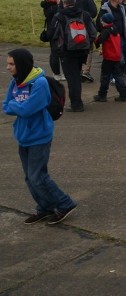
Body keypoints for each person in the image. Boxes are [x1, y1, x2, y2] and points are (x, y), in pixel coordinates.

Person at [3, 49, 78, 225]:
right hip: (23, 136)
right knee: (30, 177)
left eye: (11, 64)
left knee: (38, 176)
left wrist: (16, 105)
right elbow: (6, 106)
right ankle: (44, 208)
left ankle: (65, 204)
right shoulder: (15, 83)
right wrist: (18, 105)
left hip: (39, 136)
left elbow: (27, 109)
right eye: (8, 63)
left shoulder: (40, 83)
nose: (7, 67)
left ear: (21, 64)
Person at [48, 0, 97, 112]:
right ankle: (77, 101)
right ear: (75, 1)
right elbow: (93, 32)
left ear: (63, 2)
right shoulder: (84, 14)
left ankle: (76, 104)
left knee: (72, 78)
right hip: (82, 50)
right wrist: (87, 44)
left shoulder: (59, 16)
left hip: (67, 52)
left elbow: (51, 34)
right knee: (77, 75)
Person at [92, 13, 126, 103]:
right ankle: (124, 94)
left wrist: (94, 37)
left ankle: (102, 95)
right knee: (118, 76)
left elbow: (99, 41)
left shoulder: (106, 31)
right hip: (116, 55)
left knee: (105, 76)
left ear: (104, 22)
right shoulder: (115, 29)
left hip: (109, 57)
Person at [67, 0, 98, 83]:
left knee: (73, 47)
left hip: (69, 29)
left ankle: (76, 70)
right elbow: (94, 11)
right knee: (88, 48)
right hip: (85, 27)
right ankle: (85, 70)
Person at [40, 0, 64, 81]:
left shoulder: (47, 4)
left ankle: (57, 73)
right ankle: (57, 73)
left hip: (51, 29)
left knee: (55, 52)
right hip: (55, 30)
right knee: (55, 53)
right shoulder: (52, 6)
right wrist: (58, 5)